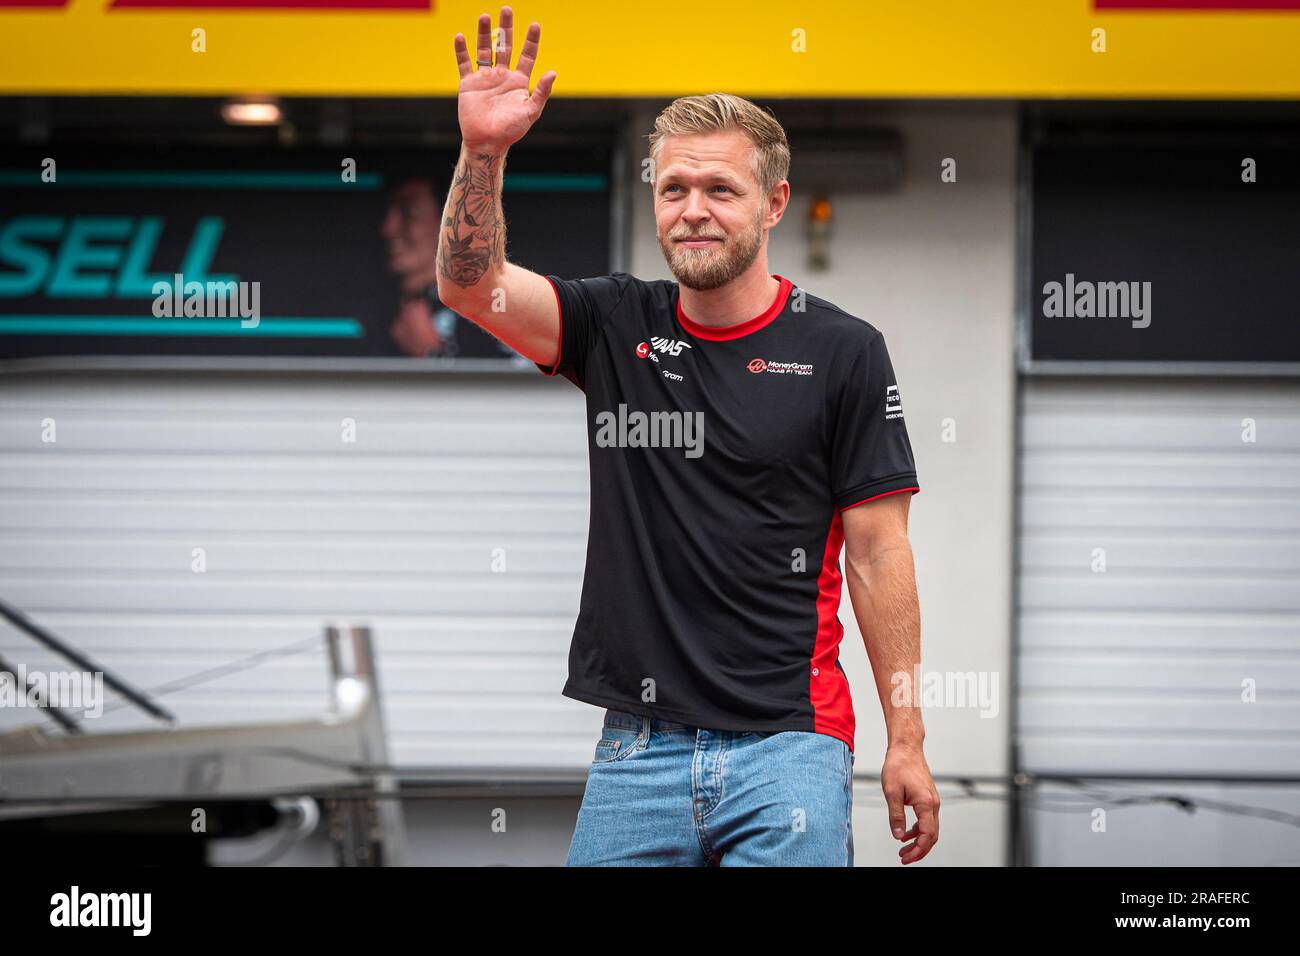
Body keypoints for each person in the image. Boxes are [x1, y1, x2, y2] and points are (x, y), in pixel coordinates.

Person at [436, 6, 940, 867]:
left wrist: (906, 738)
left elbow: (879, 552)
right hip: (637, 751)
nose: (693, 211)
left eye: (720, 190)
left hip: (790, 747)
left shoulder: (843, 351)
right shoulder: (612, 323)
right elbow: (469, 286)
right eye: (674, 189)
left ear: (774, 202)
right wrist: (484, 153)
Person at [381, 174, 518, 360]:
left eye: (409, 214)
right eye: (386, 213)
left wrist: (431, 354)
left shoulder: (492, 308)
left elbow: (518, 384)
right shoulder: (376, 314)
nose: (389, 228)